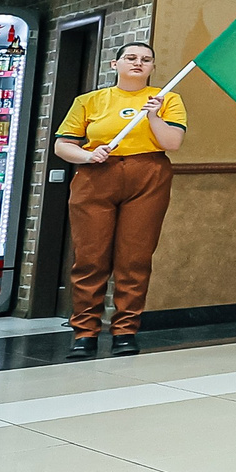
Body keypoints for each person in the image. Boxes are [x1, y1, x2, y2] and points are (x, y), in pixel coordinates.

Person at [53, 41, 185, 360]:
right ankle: (84, 332)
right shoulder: (90, 101)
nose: (138, 63)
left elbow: (173, 142)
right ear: (115, 65)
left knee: (135, 257)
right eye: (131, 58)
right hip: (97, 175)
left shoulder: (167, 98)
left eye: (146, 59)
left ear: (153, 67)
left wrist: (154, 116)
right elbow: (62, 145)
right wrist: (86, 154)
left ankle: (125, 331)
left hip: (148, 174)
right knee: (90, 257)